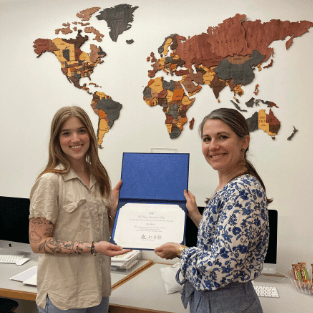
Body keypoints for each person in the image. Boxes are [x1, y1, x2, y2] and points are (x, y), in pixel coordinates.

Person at [155, 108, 271, 313]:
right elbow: (224, 239)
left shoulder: (242, 191)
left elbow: (220, 266)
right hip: (213, 300)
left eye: (223, 137)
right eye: (207, 139)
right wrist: (196, 215)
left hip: (227, 303)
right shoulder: (230, 185)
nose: (213, 146)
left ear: (244, 142)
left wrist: (179, 250)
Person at [29, 106, 131, 313]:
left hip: (98, 290)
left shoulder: (99, 176)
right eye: (66, 133)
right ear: (57, 140)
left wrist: (112, 211)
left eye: (81, 131)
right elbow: (38, 242)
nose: (75, 139)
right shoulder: (50, 181)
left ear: (90, 136)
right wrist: (93, 247)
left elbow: (99, 231)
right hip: (65, 296)